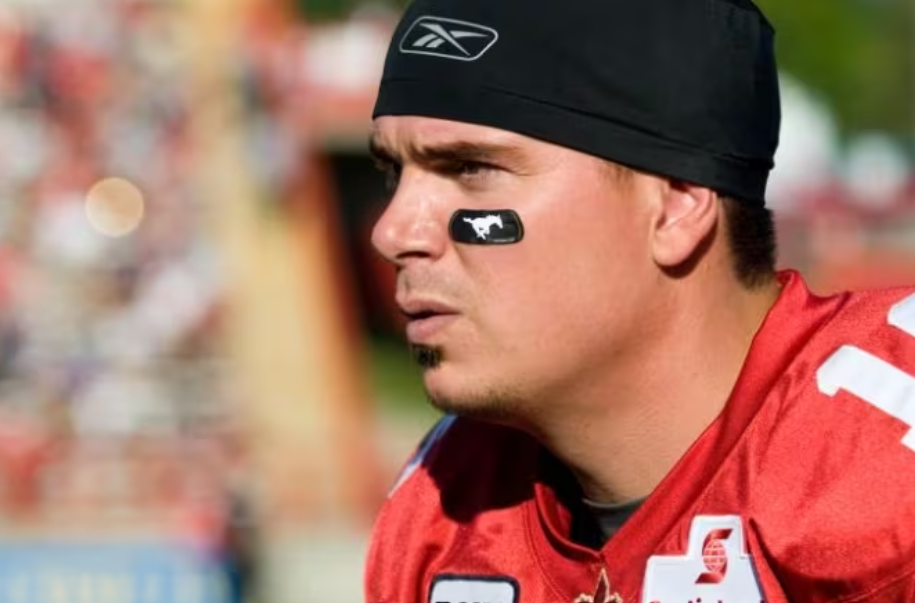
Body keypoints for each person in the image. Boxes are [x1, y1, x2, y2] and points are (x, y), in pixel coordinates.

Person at [363, 0, 915, 602]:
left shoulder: (886, 478)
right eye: (395, 173)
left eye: (471, 168)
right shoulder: (442, 510)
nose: (392, 232)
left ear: (677, 204)